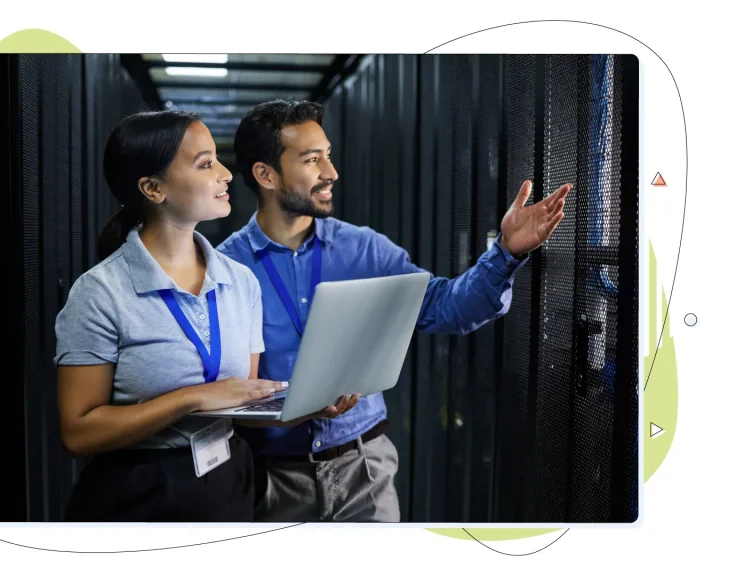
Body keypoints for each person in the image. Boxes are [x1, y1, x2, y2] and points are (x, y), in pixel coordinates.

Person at [217, 99, 570, 522]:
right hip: (268, 479)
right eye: (312, 160)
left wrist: (505, 253)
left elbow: (446, 307)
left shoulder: (364, 248)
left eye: (327, 156)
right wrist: (293, 404)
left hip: (364, 469)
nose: (331, 173)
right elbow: (220, 387)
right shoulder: (225, 268)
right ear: (265, 174)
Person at [53, 110, 289, 522]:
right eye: (205, 163)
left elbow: (240, 400)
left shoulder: (242, 282)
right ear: (153, 188)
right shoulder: (100, 292)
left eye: (217, 159)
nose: (226, 174)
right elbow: (78, 432)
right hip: (140, 496)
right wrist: (189, 399)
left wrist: (306, 405)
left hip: (228, 483)